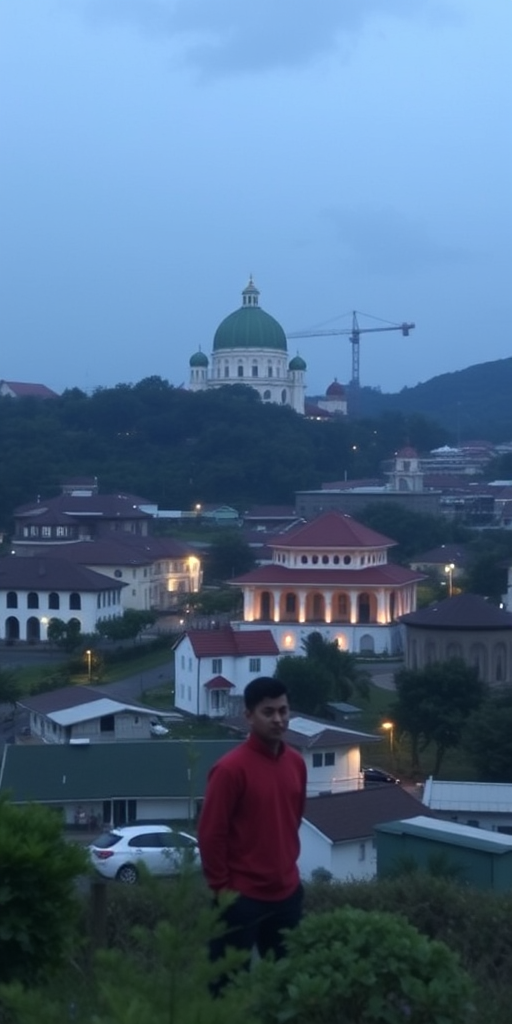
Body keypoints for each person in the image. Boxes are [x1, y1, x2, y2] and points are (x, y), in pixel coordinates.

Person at [198, 676, 307, 993]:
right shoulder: (230, 770)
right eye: (268, 712)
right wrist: (222, 890)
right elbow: (210, 834)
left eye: (284, 711)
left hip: (286, 895)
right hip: (239, 898)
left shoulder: (296, 764)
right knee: (227, 988)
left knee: (288, 986)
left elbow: (293, 819)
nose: (278, 719)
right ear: (248, 716)